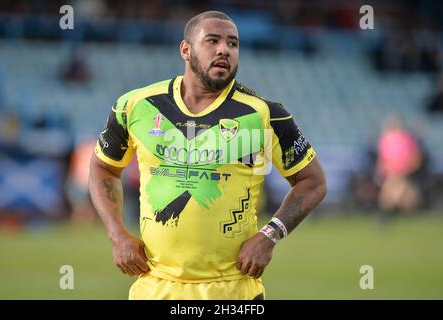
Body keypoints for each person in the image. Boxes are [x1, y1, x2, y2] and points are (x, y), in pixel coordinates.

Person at [89, 11, 326, 300]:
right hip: (154, 287)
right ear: (185, 50)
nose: (224, 49)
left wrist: (270, 235)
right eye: (212, 41)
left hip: (234, 291)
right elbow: (104, 169)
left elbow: (312, 181)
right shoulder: (136, 105)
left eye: (233, 44)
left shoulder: (264, 114)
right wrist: (117, 235)